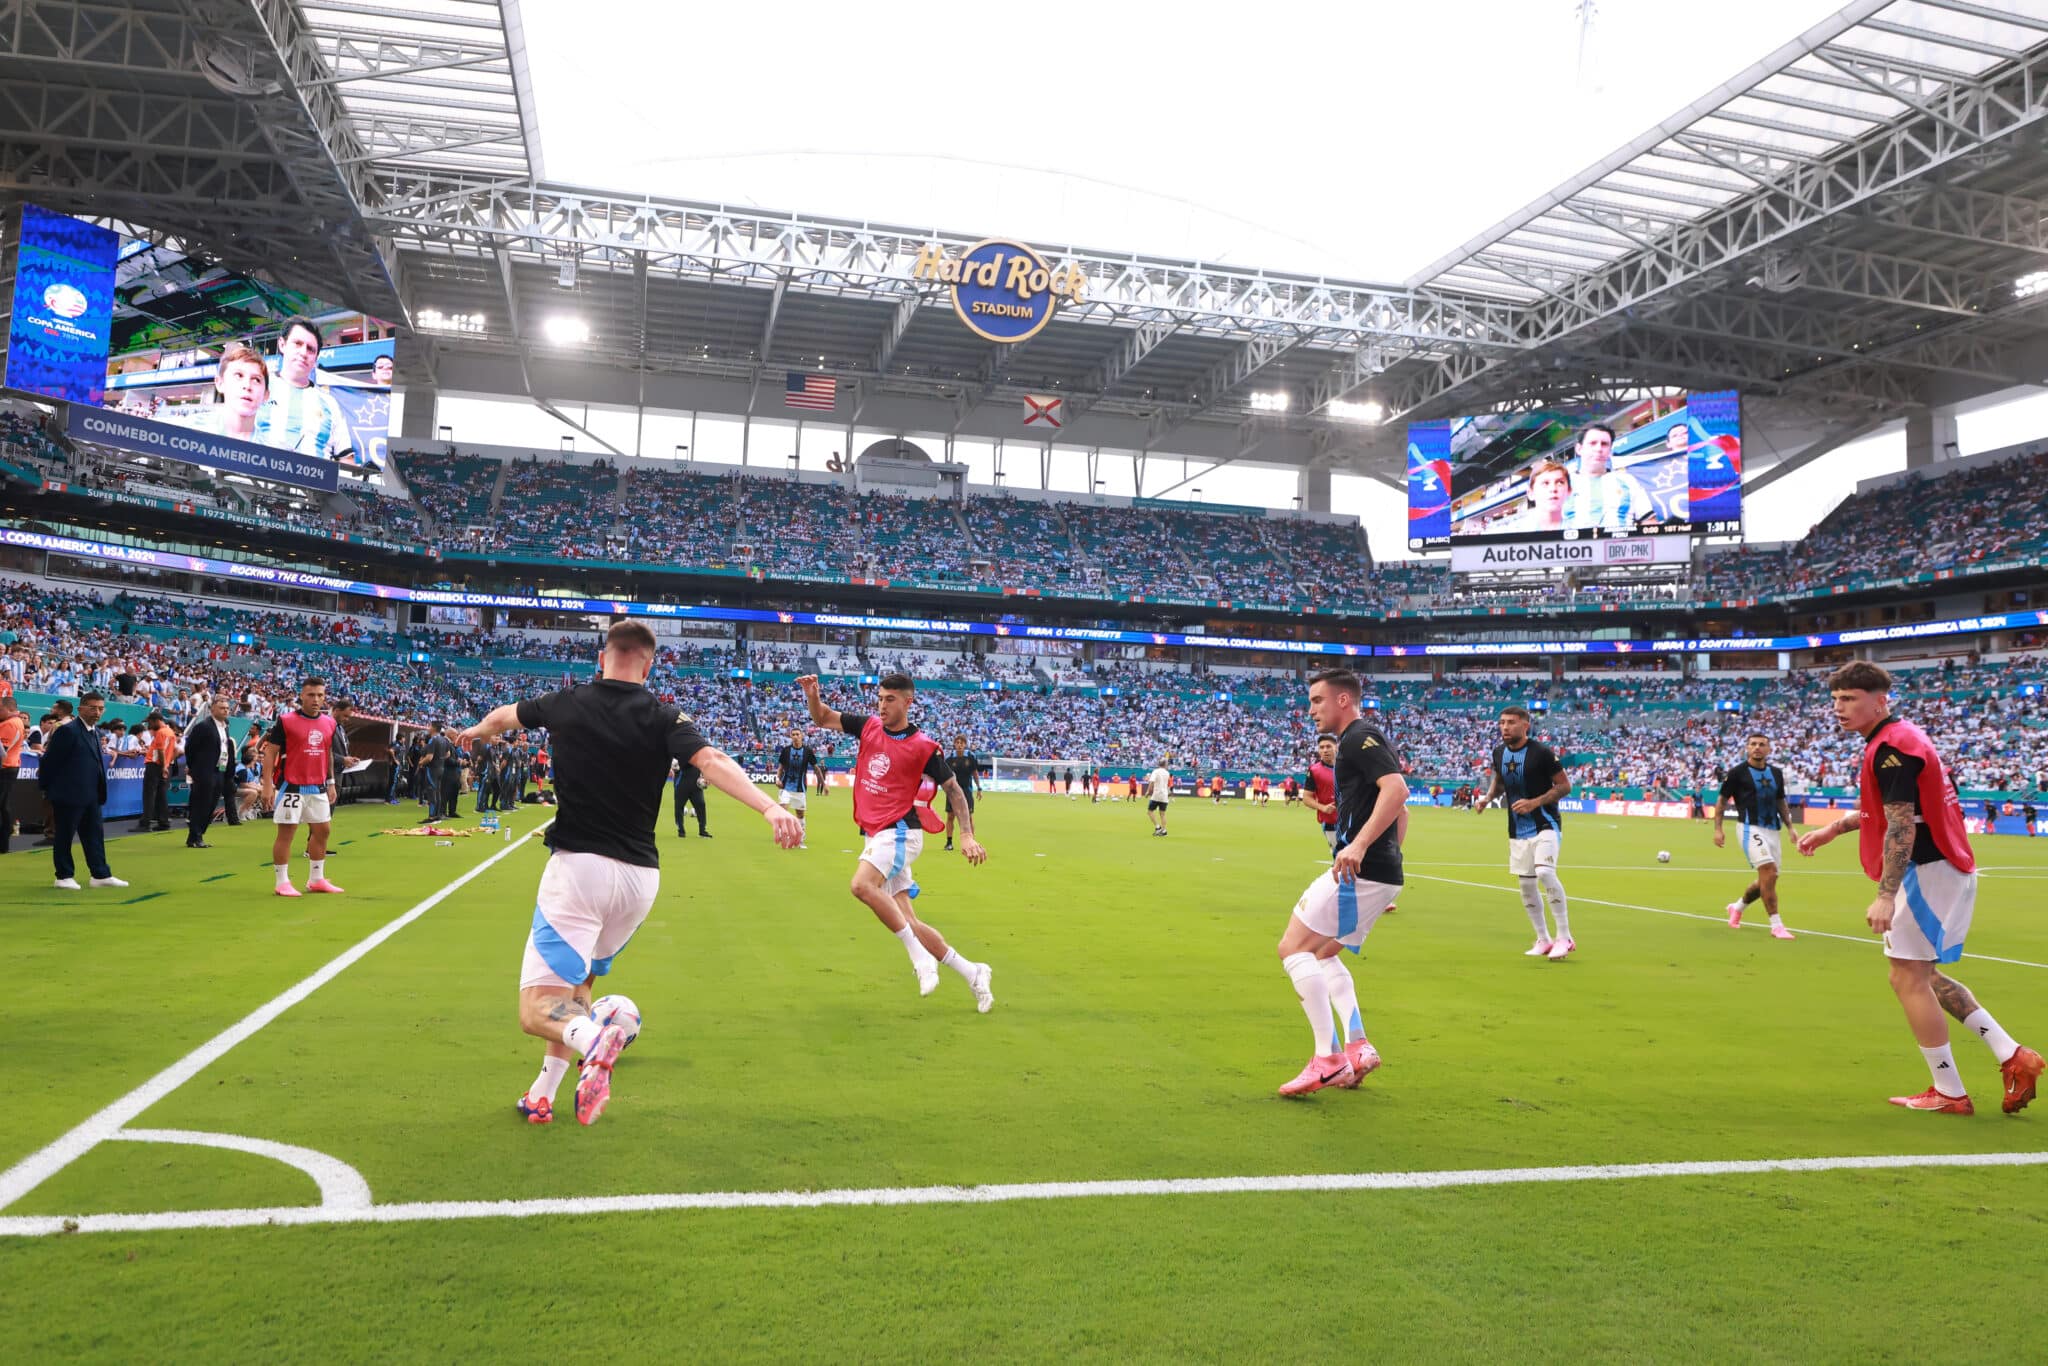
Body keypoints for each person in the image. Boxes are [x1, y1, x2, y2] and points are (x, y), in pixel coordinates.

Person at [464, 621, 802, 1126]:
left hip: (579, 869)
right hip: (640, 881)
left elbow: (503, 718)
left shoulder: (565, 701)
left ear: (603, 658)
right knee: (576, 983)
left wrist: (475, 731)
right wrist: (770, 808)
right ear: (649, 664)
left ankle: (594, 1037)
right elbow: (709, 761)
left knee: (536, 1008)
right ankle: (543, 1092)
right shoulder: (665, 715)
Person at [1797, 661, 2043, 1115]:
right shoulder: (1899, 739)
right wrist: (1835, 828)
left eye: (1849, 699)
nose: (1839, 708)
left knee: (1905, 977)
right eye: (1835, 699)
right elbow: (1896, 812)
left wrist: (1886, 894)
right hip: (1941, 868)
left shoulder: (1891, 749)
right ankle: (2013, 1055)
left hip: (1927, 871)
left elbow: (1902, 827)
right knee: (1924, 976)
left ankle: (1949, 1093)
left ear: (1880, 700)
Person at [796, 672, 993, 1009]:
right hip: (878, 833)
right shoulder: (869, 726)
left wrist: (966, 834)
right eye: (880, 698)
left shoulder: (924, 747)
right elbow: (823, 717)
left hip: (901, 830)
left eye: (890, 699)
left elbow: (954, 790)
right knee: (910, 921)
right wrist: (813, 694)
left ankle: (921, 960)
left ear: (907, 702)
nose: (882, 705)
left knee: (861, 886)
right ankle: (973, 971)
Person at [1273, 669, 1407, 1097]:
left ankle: (1328, 1061)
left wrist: (1361, 847)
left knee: (1293, 948)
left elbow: (1398, 792)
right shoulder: (1365, 739)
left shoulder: (1355, 739)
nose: (1311, 710)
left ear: (1343, 700)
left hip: (1359, 872)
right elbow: (1403, 814)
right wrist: (1386, 859)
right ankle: (1358, 1046)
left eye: (1317, 700)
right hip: (1379, 875)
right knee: (1325, 954)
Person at [1474, 705, 1574, 959]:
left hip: (1545, 823)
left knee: (1544, 872)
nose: (1505, 727)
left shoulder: (1541, 753)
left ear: (1525, 725)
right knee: (1526, 885)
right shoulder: (1499, 753)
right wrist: (1487, 798)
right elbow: (1500, 781)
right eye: (1502, 722)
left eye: (1511, 722)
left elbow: (1564, 786)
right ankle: (1543, 939)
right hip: (1518, 830)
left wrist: (1535, 802)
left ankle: (1565, 937)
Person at [261, 677, 344, 898]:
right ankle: (282, 882)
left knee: (323, 831)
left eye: (320, 695)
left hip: (317, 787)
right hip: (292, 786)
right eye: (311, 695)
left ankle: (316, 879)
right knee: (287, 833)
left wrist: (331, 782)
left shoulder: (329, 723)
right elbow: (270, 752)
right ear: (301, 695)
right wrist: (267, 785)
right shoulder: (286, 720)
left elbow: (327, 754)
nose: (315, 699)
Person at [38, 691, 126, 890]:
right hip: (69, 795)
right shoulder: (67, 731)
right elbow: (50, 763)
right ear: (81, 709)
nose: (97, 712)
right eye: (92, 708)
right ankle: (63, 875)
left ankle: (100, 874)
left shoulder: (95, 732)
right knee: (64, 836)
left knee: (94, 835)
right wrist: (47, 789)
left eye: (101, 708)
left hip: (91, 795)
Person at [1713, 733, 1797, 940]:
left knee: (1767, 879)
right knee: (1768, 871)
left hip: (1772, 830)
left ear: (1769, 750)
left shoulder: (1776, 774)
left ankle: (1737, 907)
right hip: (1750, 828)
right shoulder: (1736, 773)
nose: (1757, 747)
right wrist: (1718, 828)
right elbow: (1722, 801)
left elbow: (1780, 802)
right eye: (1753, 744)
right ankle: (1776, 925)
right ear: (1747, 748)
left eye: (1762, 744)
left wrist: (1790, 828)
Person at [253, 315, 356, 462]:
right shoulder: (258, 386)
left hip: (315, 482)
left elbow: (346, 459)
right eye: (297, 343)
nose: (303, 353)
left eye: (310, 349)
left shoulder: (330, 403)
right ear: (282, 345)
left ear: (316, 358)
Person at [183, 695, 237, 848]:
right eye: (222, 708)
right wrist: (195, 768)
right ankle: (196, 835)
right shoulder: (203, 726)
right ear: (212, 709)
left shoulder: (225, 727)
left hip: (220, 770)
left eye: (227, 708)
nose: (225, 711)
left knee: (212, 803)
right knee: (201, 803)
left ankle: (197, 835)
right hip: (204, 771)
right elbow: (190, 748)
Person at [190, 341, 271, 440]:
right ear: (220, 383)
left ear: (266, 395)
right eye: (238, 375)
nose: (247, 385)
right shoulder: (186, 431)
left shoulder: (275, 451)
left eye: (256, 380)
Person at [773, 728, 821, 847]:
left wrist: (823, 784)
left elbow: (816, 768)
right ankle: (783, 834)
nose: (795, 736)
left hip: (800, 789)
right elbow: (780, 767)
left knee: (800, 815)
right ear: (790, 736)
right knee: (782, 809)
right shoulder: (786, 751)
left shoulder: (808, 751)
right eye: (793, 734)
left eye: (797, 734)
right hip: (785, 786)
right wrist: (777, 779)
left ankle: (800, 838)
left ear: (802, 736)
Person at [138, 712, 177, 832]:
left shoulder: (161, 732)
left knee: (149, 794)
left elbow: (160, 750)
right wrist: (168, 764)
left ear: (156, 720)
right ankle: (163, 822)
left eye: (150, 722)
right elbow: (175, 750)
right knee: (161, 795)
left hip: (155, 765)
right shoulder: (170, 732)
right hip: (164, 765)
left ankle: (146, 823)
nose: (149, 725)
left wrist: (164, 766)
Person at [1305, 735, 1340, 853]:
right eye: (1322, 747)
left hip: (1353, 820)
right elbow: (1306, 798)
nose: (1325, 750)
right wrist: (1323, 808)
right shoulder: (1314, 770)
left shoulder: (1349, 766)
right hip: (1330, 822)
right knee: (1339, 856)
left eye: (1328, 746)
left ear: (1336, 747)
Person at [1516, 461, 1572, 533]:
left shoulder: (1581, 528)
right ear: (1531, 493)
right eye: (1545, 483)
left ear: (1569, 491)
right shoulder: (1517, 532)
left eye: (1560, 483)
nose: (1553, 489)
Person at [944, 737, 978, 852]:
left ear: (965, 744)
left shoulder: (970, 757)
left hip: (966, 791)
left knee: (969, 817)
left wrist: (979, 788)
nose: (959, 745)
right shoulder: (949, 758)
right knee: (950, 816)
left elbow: (975, 773)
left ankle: (971, 841)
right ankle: (949, 842)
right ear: (954, 744)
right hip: (952, 792)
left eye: (961, 743)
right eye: (957, 743)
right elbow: (945, 775)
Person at [0, 696, 23, 854]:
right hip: (8, 767)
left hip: (5, 768)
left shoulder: (10, 723)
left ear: (6, 708)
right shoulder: (16, 722)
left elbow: (2, 749)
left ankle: (3, 844)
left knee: (3, 807)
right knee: (3, 807)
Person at [670, 757, 709, 837]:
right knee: (679, 808)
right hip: (681, 786)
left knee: (701, 805)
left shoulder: (699, 756)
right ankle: (681, 831)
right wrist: (674, 767)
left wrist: (705, 778)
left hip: (696, 787)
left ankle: (702, 831)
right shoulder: (679, 755)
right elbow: (675, 768)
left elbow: (703, 768)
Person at [1146, 758, 1173, 836]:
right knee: (1162, 814)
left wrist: (1148, 791)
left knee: (1150, 811)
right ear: (1165, 764)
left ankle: (1157, 827)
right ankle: (1164, 831)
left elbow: (1152, 782)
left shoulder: (1156, 771)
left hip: (1157, 794)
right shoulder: (1167, 773)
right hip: (1164, 795)